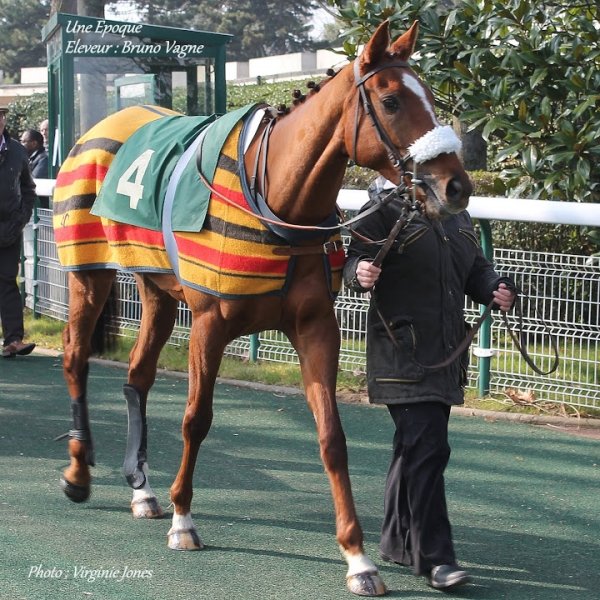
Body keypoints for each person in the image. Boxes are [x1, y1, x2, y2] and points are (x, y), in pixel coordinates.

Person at [343, 177, 515, 591]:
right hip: (402, 353)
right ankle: (436, 558)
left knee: (415, 447)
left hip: (445, 354)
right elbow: (352, 263)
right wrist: (358, 273)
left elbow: (475, 269)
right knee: (428, 446)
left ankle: (397, 540)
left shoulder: (456, 214)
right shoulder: (382, 210)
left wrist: (495, 287)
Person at [0, 105, 37, 358]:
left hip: (9, 230)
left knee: (7, 282)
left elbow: (28, 188)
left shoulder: (16, 150)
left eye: (1, 116)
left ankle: (13, 340)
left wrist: (20, 219)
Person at [20, 129, 50, 208]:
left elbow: (33, 181)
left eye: (24, 141)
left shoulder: (44, 159)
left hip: (41, 208)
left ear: (34, 143)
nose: (21, 144)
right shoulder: (30, 158)